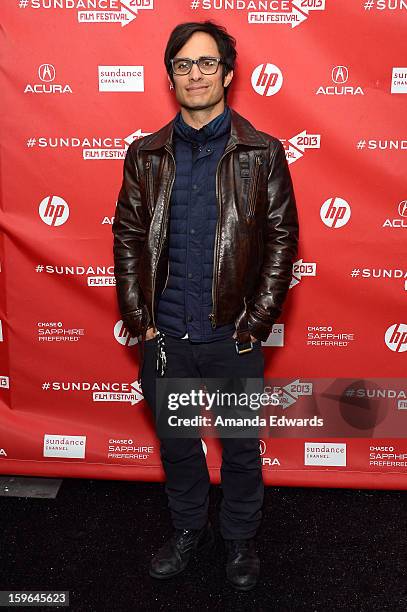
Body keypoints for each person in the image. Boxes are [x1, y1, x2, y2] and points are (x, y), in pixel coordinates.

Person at [112, 20, 299, 591]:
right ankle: (189, 530)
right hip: (165, 337)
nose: (196, 74)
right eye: (184, 65)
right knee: (178, 447)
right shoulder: (145, 155)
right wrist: (140, 322)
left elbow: (280, 238)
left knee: (241, 448)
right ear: (171, 77)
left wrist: (255, 322)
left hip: (232, 337)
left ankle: (240, 539)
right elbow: (127, 235)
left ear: (229, 74)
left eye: (207, 63)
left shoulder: (261, 152)